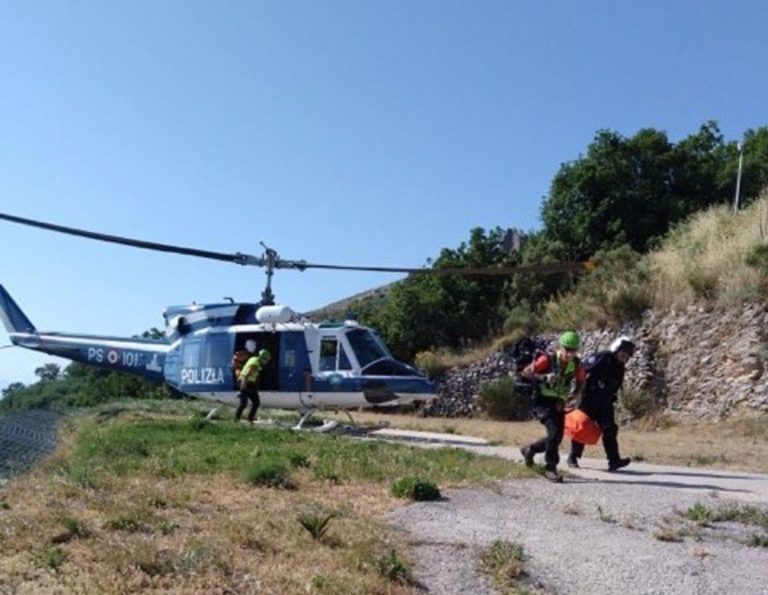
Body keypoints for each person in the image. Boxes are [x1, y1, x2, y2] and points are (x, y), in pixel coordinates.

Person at [519, 331, 586, 482]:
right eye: (566, 349)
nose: (569, 353)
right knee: (555, 434)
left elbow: (581, 380)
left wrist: (575, 394)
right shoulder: (547, 359)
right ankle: (551, 468)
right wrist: (544, 377)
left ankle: (530, 449)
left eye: (573, 350)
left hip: (558, 401)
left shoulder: (576, 364)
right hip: (542, 400)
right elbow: (526, 373)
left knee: (556, 436)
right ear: (560, 347)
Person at [566, 336, 635, 472]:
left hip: (605, 402)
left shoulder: (620, 367)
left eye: (627, 354)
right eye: (623, 352)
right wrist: (577, 391)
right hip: (589, 399)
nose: (625, 356)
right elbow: (583, 370)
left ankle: (614, 461)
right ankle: (573, 457)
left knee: (610, 429)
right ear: (616, 349)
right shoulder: (602, 357)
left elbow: (615, 386)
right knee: (582, 427)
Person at [235, 347, 271, 423]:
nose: (266, 362)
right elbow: (246, 376)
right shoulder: (255, 365)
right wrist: (242, 391)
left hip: (250, 383)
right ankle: (237, 420)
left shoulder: (254, 359)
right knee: (244, 403)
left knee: (256, 402)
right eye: (266, 360)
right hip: (244, 382)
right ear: (263, 358)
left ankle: (250, 419)